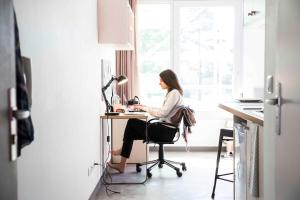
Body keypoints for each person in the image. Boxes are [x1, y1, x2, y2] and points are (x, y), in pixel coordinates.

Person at [108, 69, 184, 173]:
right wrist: (145, 106)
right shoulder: (173, 93)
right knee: (131, 130)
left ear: (168, 80)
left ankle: (122, 156)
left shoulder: (174, 93)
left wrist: (145, 108)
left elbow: (162, 113)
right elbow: (163, 111)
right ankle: (122, 163)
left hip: (165, 132)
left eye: (161, 80)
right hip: (165, 130)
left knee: (132, 122)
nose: (159, 83)